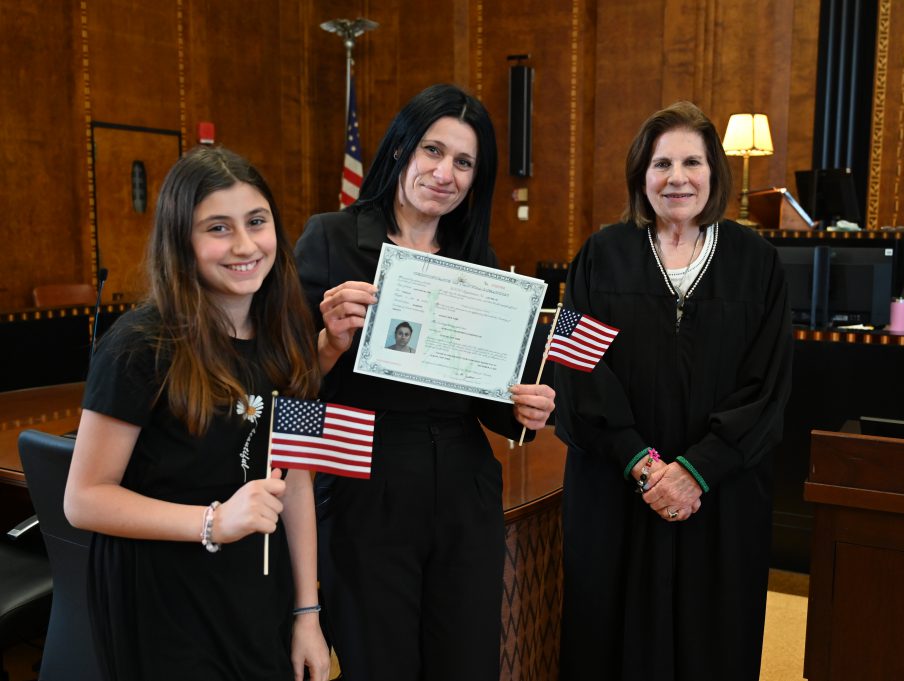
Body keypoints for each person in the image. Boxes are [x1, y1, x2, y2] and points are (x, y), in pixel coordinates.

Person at [294, 83, 555, 681]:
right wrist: (327, 344)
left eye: (464, 162)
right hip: (365, 486)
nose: (445, 172)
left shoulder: (479, 261)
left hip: (465, 491)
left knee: (466, 664)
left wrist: (523, 408)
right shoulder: (331, 239)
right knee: (380, 664)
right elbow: (282, 389)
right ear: (399, 150)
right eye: (432, 151)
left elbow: (488, 401)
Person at [64, 146, 331, 681]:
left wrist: (307, 613)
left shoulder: (289, 336)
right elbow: (83, 499)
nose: (244, 245)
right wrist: (215, 521)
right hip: (165, 600)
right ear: (181, 241)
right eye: (217, 228)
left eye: (257, 222)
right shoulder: (139, 344)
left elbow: (295, 477)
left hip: (258, 592)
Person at [554, 101, 793, 680]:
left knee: (711, 640)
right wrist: (639, 461)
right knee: (606, 637)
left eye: (692, 162)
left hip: (719, 496)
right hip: (617, 488)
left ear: (715, 173)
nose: (676, 178)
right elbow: (574, 367)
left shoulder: (757, 264)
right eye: (662, 163)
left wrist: (695, 471)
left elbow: (768, 385)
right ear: (641, 174)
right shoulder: (598, 255)